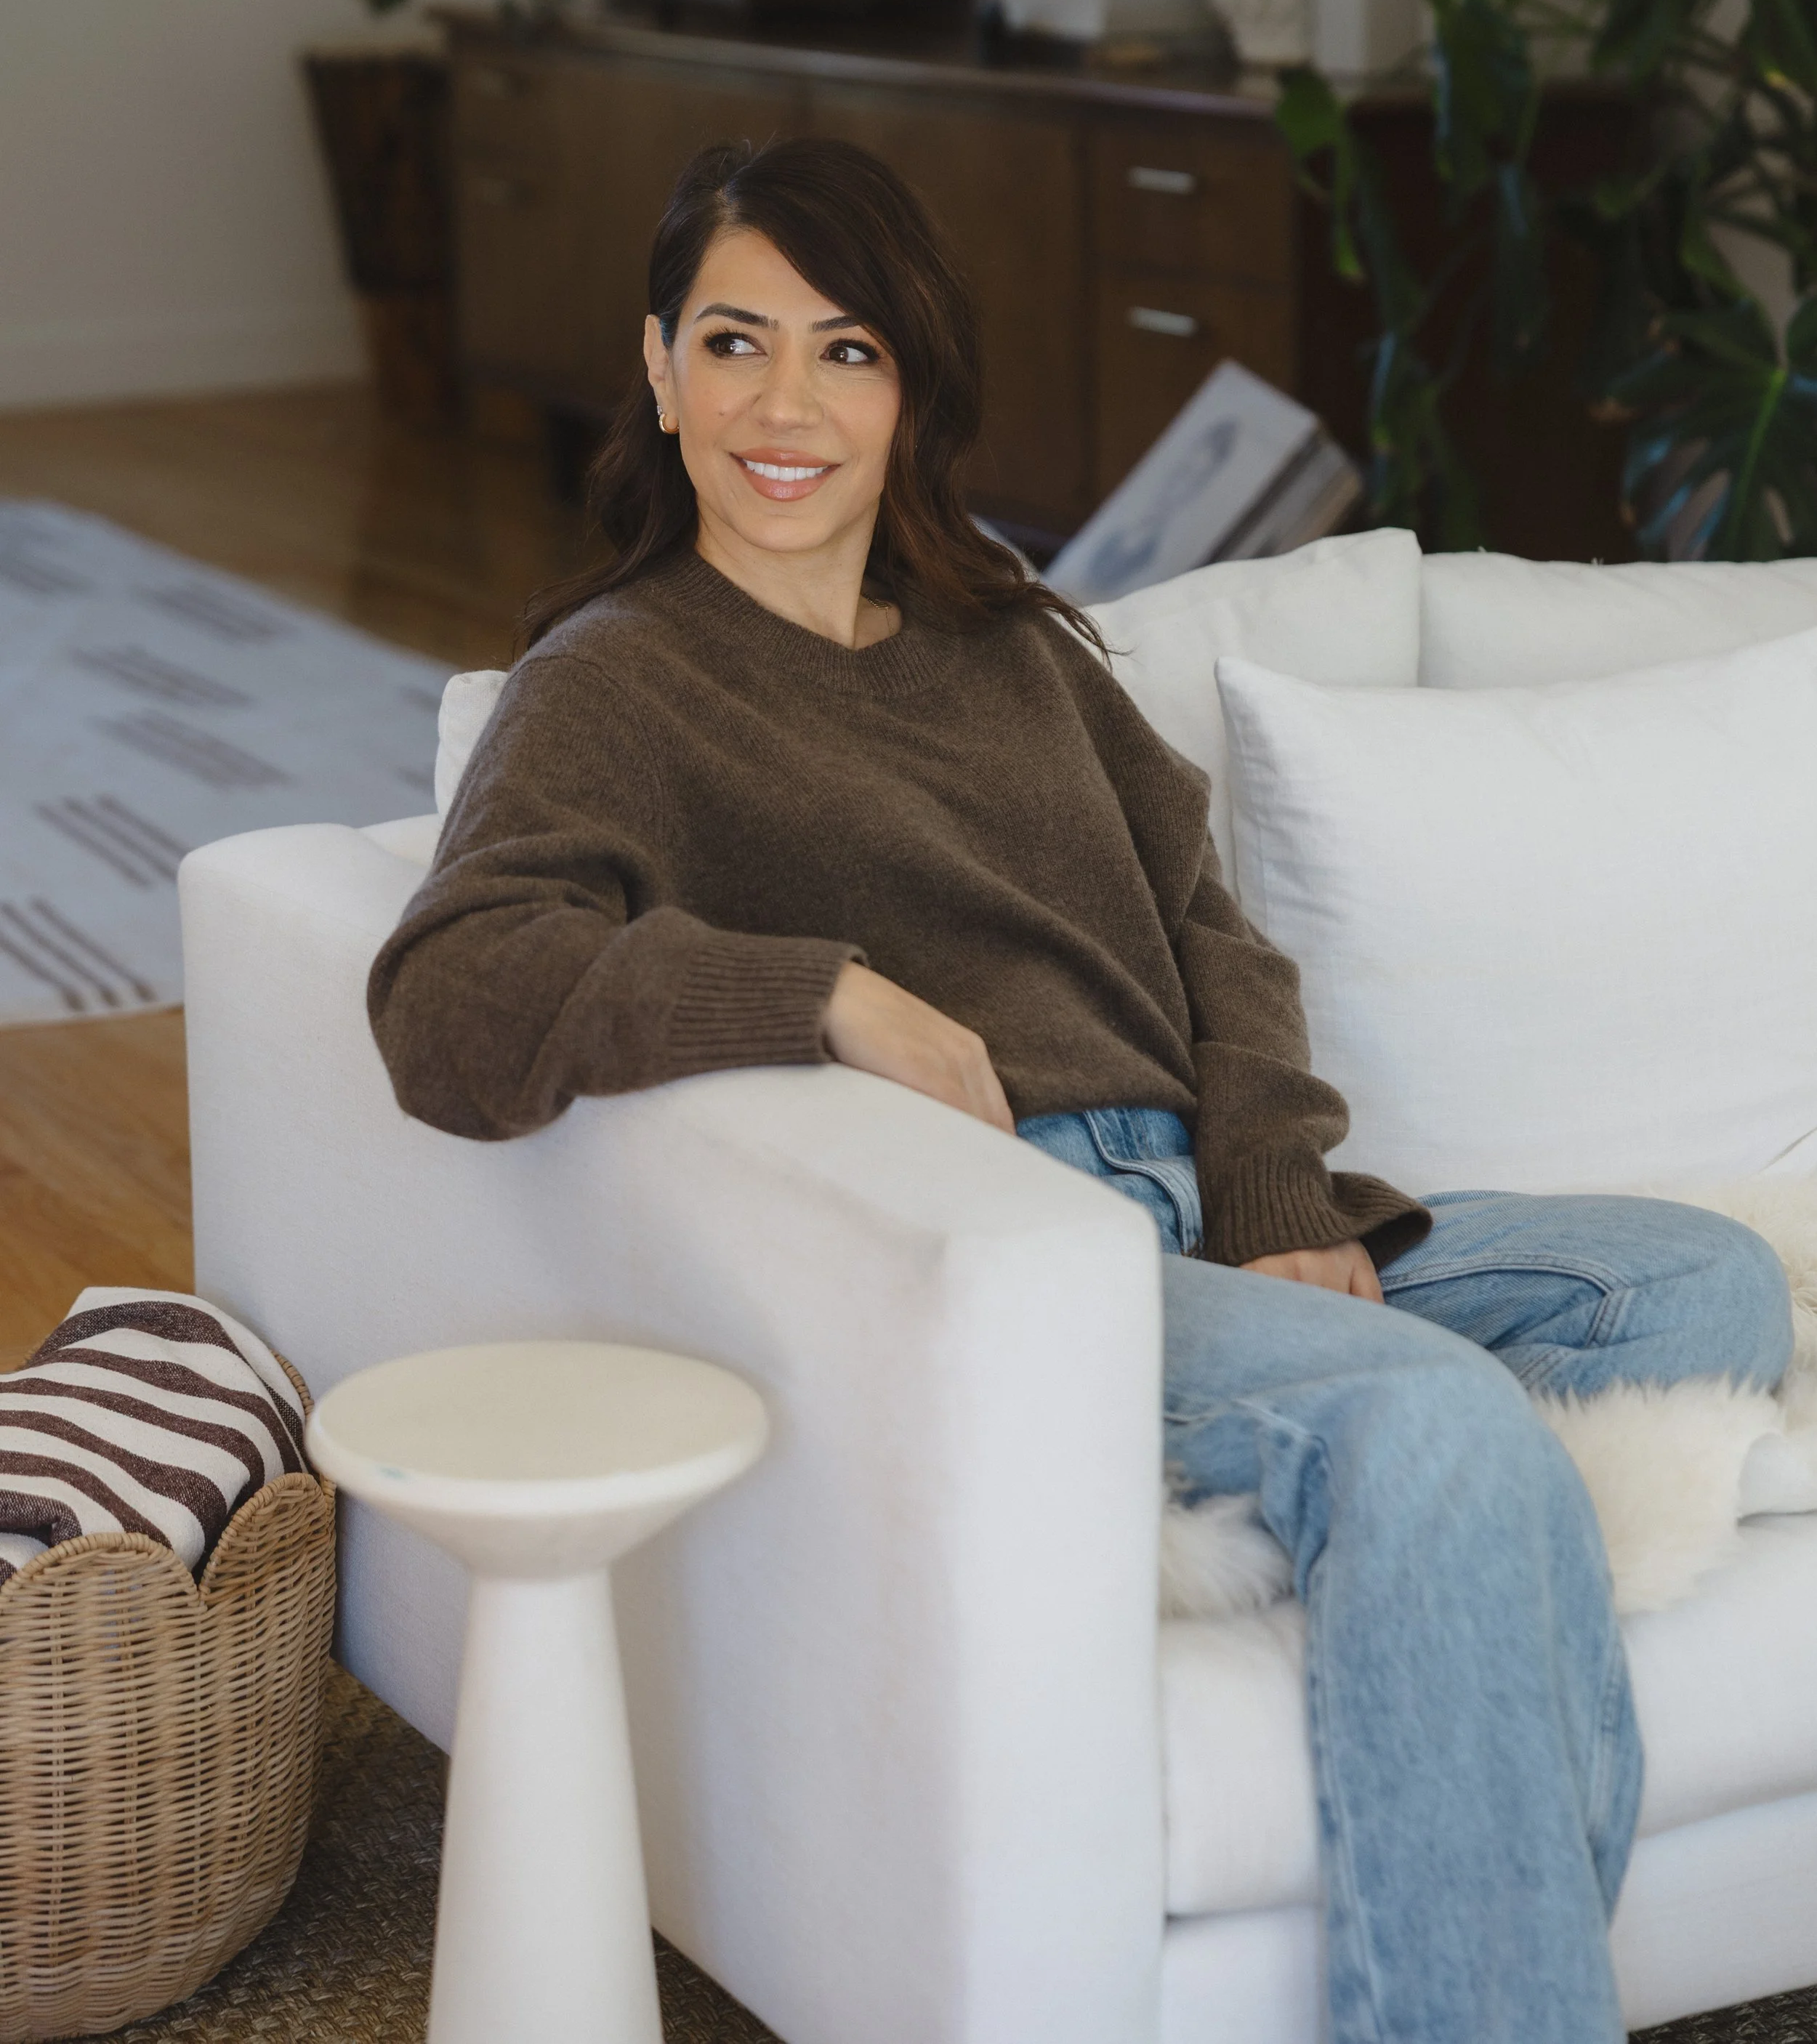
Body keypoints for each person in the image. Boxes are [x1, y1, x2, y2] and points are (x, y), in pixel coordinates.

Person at [369, 136, 1792, 2044]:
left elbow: (1209, 936)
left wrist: (1284, 1200)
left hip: (1205, 1224)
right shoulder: (613, 680)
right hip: (1016, 1253)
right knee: (1440, 1431)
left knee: (1699, 1288)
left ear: (913, 387)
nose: (783, 405)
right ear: (655, 367)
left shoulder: (1014, 643)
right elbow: (452, 992)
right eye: (734, 342)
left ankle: (1383, 1526)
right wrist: (828, 995)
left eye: (844, 350)